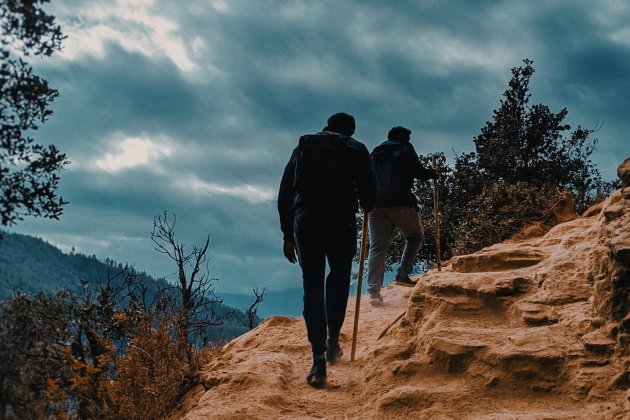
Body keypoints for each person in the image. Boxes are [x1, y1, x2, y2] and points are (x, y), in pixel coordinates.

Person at [278, 112, 376, 387]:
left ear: (326, 127)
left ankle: (318, 356)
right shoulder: (356, 149)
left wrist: (287, 235)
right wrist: (367, 203)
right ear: (351, 131)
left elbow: (285, 192)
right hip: (341, 220)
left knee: (312, 283)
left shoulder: (304, 146)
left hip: (306, 219)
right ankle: (334, 339)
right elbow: (369, 194)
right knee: (339, 277)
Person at [366, 126, 437, 306]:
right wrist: (433, 174)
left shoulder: (375, 153)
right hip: (401, 202)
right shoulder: (405, 149)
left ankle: (374, 292)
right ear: (404, 138)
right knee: (415, 236)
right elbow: (418, 172)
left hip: (375, 205)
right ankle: (403, 274)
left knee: (377, 248)